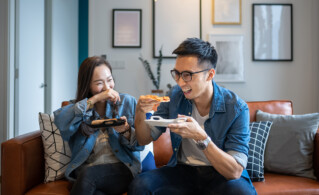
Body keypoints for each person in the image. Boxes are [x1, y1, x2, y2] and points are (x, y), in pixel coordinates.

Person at [129, 38, 257, 195]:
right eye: (177, 74)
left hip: (220, 175)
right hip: (182, 170)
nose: (181, 82)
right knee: (140, 185)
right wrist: (140, 113)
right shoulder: (175, 96)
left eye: (188, 75)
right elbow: (144, 139)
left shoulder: (237, 108)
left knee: (241, 192)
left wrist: (201, 137)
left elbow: (234, 171)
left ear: (210, 75)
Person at [54, 56, 144, 195]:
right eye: (99, 83)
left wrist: (125, 131)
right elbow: (61, 121)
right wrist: (95, 99)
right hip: (88, 172)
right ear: (87, 85)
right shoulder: (78, 108)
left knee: (88, 175)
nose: (107, 88)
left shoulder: (127, 102)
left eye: (109, 80)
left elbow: (139, 145)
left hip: (121, 169)